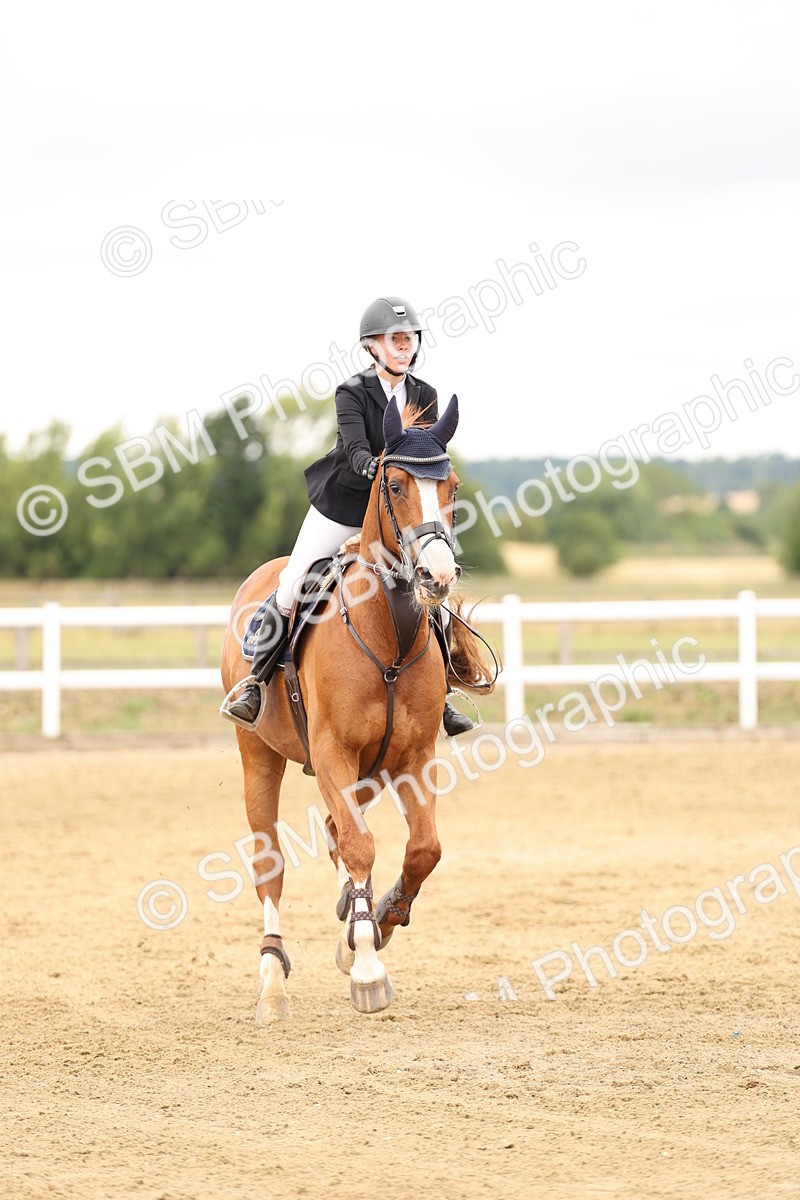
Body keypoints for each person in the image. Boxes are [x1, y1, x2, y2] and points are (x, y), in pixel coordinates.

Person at [222, 296, 474, 736]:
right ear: (373, 346)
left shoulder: (425, 395)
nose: (403, 346)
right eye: (394, 340)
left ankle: (443, 695)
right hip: (345, 505)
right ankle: (256, 683)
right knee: (293, 581)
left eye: (408, 339)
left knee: (438, 589)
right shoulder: (352, 393)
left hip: (401, 510)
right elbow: (356, 450)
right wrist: (377, 468)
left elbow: (428, 454)